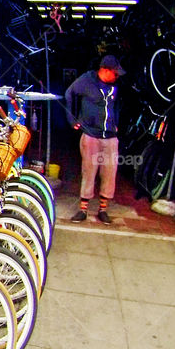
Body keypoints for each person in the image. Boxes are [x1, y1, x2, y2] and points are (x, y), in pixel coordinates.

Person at [65, 55, 126, 225]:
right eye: (115, 73)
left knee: (109, 173)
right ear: (105, 70)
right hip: (91, 135)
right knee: (89, 171)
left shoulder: (115, 86)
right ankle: (83, 210)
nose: (117, 77)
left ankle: (103, 210)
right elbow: (69, 94)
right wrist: (72, 119)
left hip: (110, 137)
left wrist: (116, 123)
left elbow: (117, 105)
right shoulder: (87, 80)